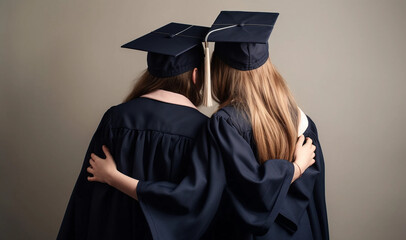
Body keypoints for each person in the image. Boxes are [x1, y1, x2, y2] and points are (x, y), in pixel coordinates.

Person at [87, 11, 326, 240]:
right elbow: (310, 200)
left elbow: (207, 199)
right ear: (195, 75)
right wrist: (296, 167)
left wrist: (113, 177)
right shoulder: (300, 120)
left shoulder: (223, 124)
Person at [57, 22, 213, 240]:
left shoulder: (116, 118)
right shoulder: (204, 129)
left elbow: (86, 193)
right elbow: (199, 207)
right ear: (196, 75)